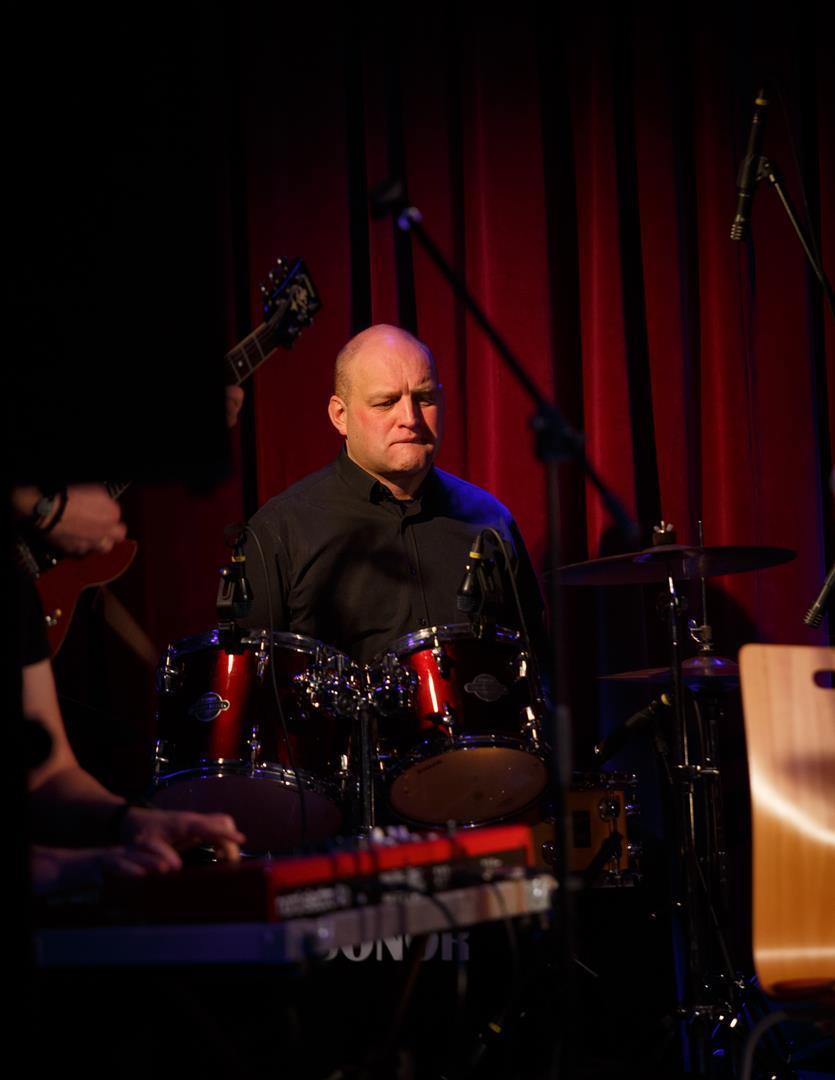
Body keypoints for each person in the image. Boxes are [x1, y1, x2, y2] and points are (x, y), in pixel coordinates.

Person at [242, 324, 545, 665]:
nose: (411, 418)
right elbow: (252, 681)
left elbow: (536, 666)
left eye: (424, 399)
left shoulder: (489, 519)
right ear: (340, 416)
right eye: (386, 403)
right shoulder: (280, 530)